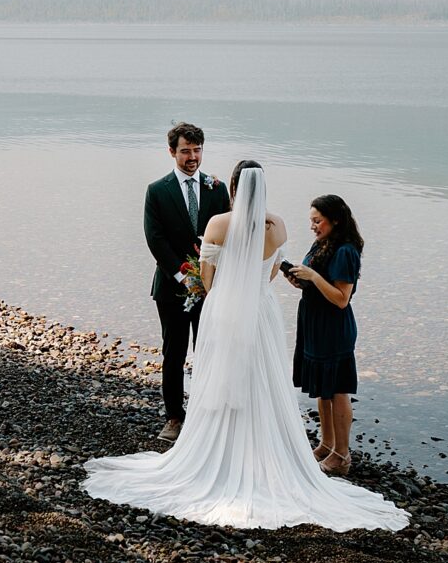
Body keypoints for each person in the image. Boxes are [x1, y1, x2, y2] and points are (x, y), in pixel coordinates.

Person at [83, 164, 409, 532]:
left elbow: (207, 281)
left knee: (224, 373)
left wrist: (220, 288)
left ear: (234, 188)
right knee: (264, 378)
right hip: (261, 309)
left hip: (225, 308)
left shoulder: (218, 224)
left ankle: (220, 451)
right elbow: (270, 274)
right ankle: (271, 451)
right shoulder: (278, 225)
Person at [143, 121, 230, 443]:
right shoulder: (157, 190)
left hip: (211, 289)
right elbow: (155, 238)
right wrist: (183, 275)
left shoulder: (217, 188)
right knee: (174, 353)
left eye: (197, 150)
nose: (192, 157)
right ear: (171, 152)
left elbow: (226, 237)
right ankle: (175, 418)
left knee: (209, 351)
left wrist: (209, 278)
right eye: (185, 151)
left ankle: (207, 414)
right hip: (171, 287)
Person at [287, 194, 362, 477]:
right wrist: (299, 280)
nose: (313, 227)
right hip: (314, 321)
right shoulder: (323, 243)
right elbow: (317, 284)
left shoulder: (345, 251)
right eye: (311, 221)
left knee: (338, 389)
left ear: (335, 220)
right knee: (322, 387)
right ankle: (327, 443)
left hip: (333, 326)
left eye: (317, 221)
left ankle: (342, 455)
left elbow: (341, 298)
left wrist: (314, 278)